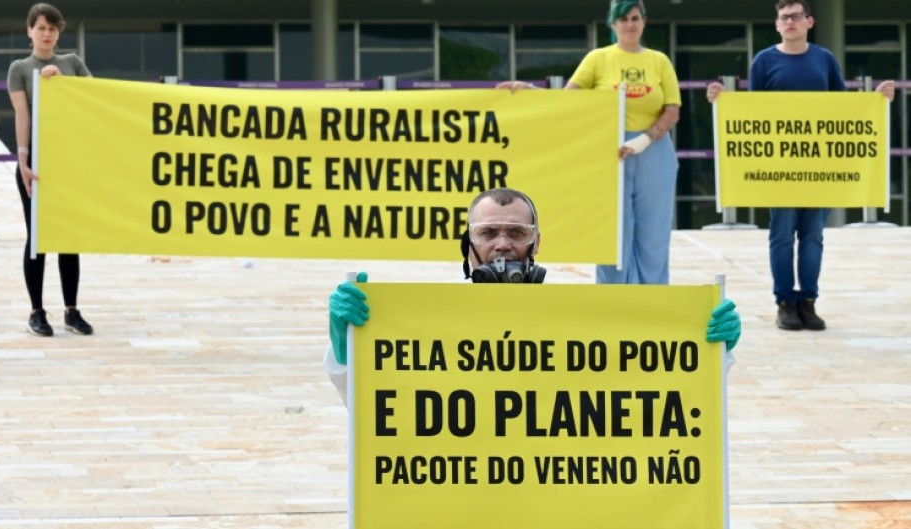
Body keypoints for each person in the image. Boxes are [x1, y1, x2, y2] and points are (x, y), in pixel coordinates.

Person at [324, 187, 741, 404]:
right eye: (488, 233)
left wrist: (713, 353)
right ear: (467, 242)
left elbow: (658, 393)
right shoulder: (427, 319)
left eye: (516, 233)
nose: (502, 245)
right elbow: (377, 407)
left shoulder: (582, 312)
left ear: (537, 243)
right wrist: (348, 353)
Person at [706, 0, 895, 331]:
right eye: (783, 17)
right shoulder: (764, 61)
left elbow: (844, 108)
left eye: (796, 16)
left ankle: (808, 301)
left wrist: (877, 99)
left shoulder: (824, 59)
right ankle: (785, 302)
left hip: (818, 168)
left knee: (812, 237)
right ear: (777, 25)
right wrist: (723, 99)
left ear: (809, 21)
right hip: (780, 168)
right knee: (781, 235)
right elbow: (751, 113)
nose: (790, 22)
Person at [498, 0, 680, 286]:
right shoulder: (599, 58)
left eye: (635, 18)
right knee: (613, 231)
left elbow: (672, 109)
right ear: (613, 24)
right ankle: (611, 297)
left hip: (653, 151)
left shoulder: (659, 61)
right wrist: (530, 91)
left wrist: (644, 140)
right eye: (623, 19)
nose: (630, 24)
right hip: (609, 153)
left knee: (653, 232)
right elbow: (569, 100)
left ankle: (653, 295)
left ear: (644, 21)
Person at [8, 3, 94, 337]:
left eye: (53, 28)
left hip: (68, 163)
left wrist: (59, 84)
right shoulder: (19, 67)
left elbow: (92, 98)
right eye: (41, 28)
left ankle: (71, 310)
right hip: (36, 167)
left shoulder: (71, 62)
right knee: (38, 239)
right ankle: (37, 311)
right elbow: (23, 116)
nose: (47, 34)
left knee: (68, 237)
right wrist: (23, 162)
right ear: (29, 30)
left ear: (60, 33)